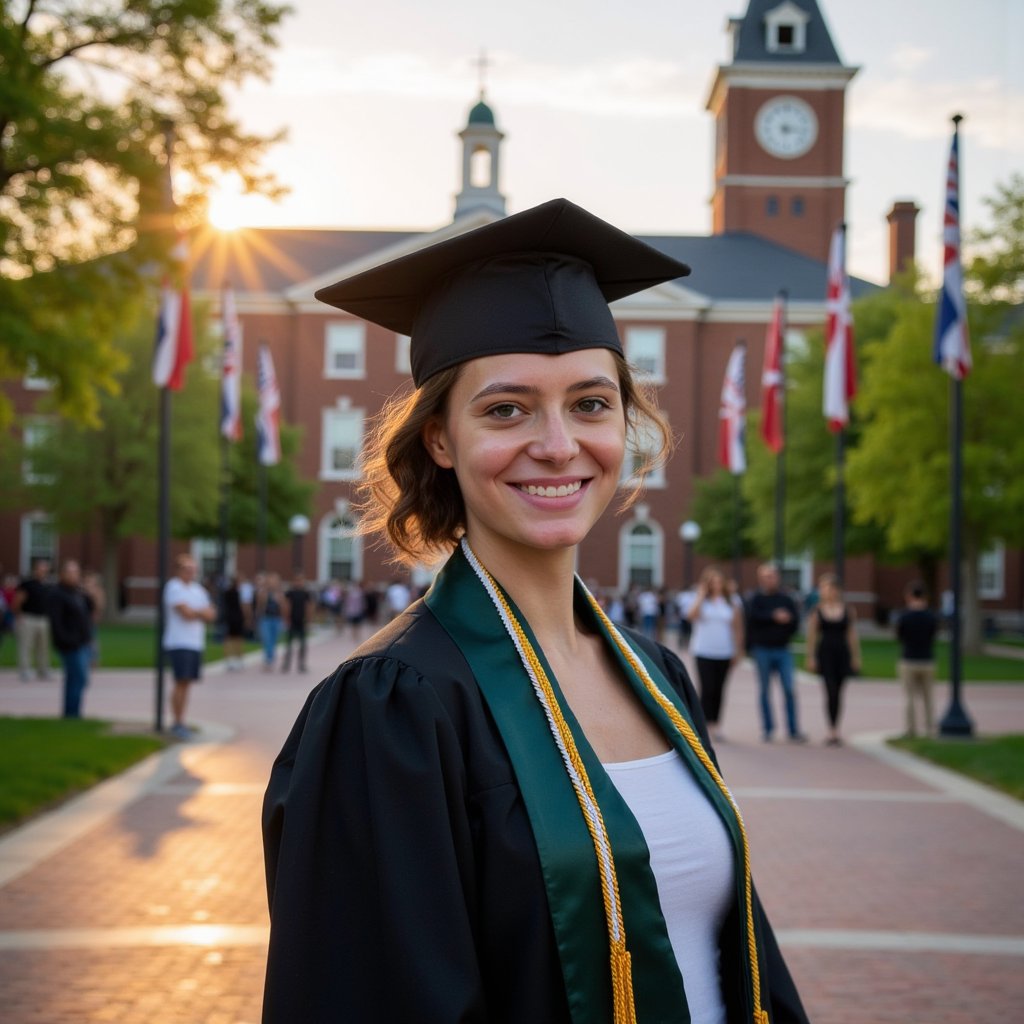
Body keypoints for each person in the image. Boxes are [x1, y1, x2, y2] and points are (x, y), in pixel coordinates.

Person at [262, 200, 807, 1024]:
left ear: (626, 424)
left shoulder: (657, 677)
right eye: (506, 409)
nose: (558, 444)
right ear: (440, 439)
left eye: (590, 404)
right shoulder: (392, 708)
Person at [746, 563, 806, 743]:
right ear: (760, 579)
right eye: (765, 576)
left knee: (789, 689)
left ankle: (793, 729)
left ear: (777, 578)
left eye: (772, 576)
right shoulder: (755, 599)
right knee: (764, 690)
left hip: (783, 649)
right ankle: (768, 728)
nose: (769, 579)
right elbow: (752, 619)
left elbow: (795, 622)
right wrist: (774, 617)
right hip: (762, 650)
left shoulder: (786, 599)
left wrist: (786, 620)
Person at [686, 567, 744, 743]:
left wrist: (738, 650)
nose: (717, 585)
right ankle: (703, 725)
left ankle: (716, 724)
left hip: (724, 651)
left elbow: (737, 627)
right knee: (707, 687)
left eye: (719, 581)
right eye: (712, 582)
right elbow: (691, 616)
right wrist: (701, 595)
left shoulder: (732, 601)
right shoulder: (701, 600)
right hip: (704, 650)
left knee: (719, 689)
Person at [804, 573, 861, 746]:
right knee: (830, 691)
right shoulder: (817, 611)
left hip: (842, 653)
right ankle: (831, 730)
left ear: (837, 590)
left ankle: (836, 727)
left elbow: (852, 635)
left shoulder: (848, 610)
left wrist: (856, 657)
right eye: (823, 588)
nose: (826, 591)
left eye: (829, 588)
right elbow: (812, 635)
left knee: (839, 691)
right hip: (825, 653)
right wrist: (811, 656)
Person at [163, 554, 216, 739]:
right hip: (179, 642)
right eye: (187, 568)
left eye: (193, 569)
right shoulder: (174, 587)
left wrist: (197, 612)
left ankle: (182, 720)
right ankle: (177, 722)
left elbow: (211, 615)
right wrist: (200, 612)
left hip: (195, 643)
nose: (191, 572)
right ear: (178, 570)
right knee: (180, 681)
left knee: (187, 684)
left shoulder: (198, 590)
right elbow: (185, 613)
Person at [47, 559, 94, 718]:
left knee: (78, 679)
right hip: (71, 645)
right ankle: (72, 714)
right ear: (62, 574)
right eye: (70, 572)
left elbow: (91, 610)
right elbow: (56, 622)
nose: (74, 576)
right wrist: (66, 641)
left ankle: (72, 713)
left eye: (76, 572)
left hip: (83, 643)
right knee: (77, 678)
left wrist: (89, 591)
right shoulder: (57, 594)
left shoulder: (78, 593)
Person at [896, 581, 939, 737]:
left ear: (910, 596)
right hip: (927, 660)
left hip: (909, 659)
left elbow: (899, 636)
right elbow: (934, 635)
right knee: (928, 697)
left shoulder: (904, 616)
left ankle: (910, 729)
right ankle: (929, 728)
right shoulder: (931, 616)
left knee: (909, 697)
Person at [14, 559, 53, 681]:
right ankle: (25, 670)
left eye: (45, 569)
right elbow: (17, 601)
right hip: (28, 618)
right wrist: (19, 615)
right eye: (40, 569)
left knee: (43, 647)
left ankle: (43, 670)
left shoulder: (48, 585)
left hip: (44, 619)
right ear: (35, 570)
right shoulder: (27, 584)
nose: (43, 571)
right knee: (26, 645)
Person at [281, 572, 312, 673]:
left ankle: (301, 664)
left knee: (302, 644)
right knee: (289, 644)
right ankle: (286, 663)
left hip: (302, 621)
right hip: (292, 620)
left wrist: (308, 619)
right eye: (297, 580)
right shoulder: (290, 593)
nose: (299, 582)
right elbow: (286, 605)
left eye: (301, 580)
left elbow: (309, 606)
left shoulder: (306, 593)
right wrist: (286, 618)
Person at [255, 572, 286, 670]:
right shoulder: (263, 593)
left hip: (276, 619)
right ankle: (268, 659)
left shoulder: (280, 593)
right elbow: (259, 607)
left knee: (273, 640)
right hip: (266, 618)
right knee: (267, 639)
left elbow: (283, 607)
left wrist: (279, 600)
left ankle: (271, 658)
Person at [221, 575, 247, 670]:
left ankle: (229, 660)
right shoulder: (239, 592)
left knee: (229, 639)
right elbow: (244, 605)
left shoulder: (227, 592)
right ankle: (238, 659)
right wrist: (247, 617)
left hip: (229, 617)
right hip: (236, 617)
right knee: (237, 639)